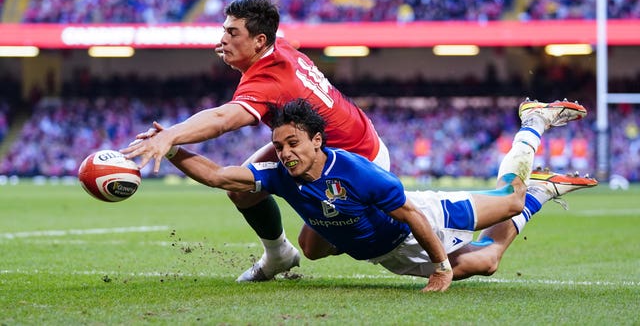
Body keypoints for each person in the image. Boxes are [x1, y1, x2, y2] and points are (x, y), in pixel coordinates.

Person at [139, 97, 597, 292]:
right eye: (278, 146)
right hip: (384, 252)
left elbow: (412, 215)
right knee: (312, 248)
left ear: (317, 140)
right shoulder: (280, 173)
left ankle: (534, 127)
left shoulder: (357, 172)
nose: (285, 153)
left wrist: (440, 268)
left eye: (293, 143)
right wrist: (175, 147)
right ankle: (543, 185)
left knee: (505, 213)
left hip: (425, 220)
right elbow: (221, 176)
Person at [121, 0, 390, 282]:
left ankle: (376, 218)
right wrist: (239, 51)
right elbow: (292, 46)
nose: (223, 39)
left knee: (312, 247)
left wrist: (171, 135)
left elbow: (223, 119)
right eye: (224, 30)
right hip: (327, 140)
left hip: (356, 161)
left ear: (260, 41)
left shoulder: (267, 81)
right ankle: (278, 256)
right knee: (240, 190)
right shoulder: (280, 47)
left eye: (232, 33)